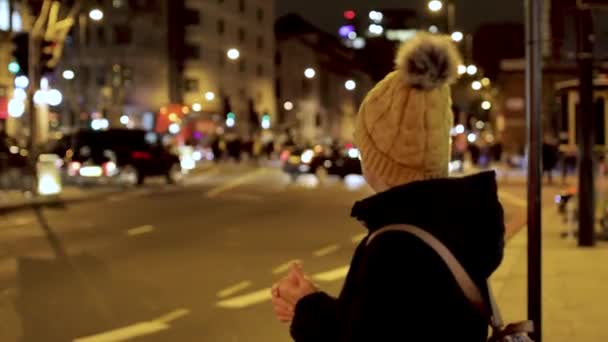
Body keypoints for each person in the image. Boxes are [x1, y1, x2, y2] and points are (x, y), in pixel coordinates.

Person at [271, 33, 505, 341]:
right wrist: (313, 304)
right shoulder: (451, 222)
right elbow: (395, 322)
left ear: (379, 156)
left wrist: (307, 309)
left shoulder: (396, 244)